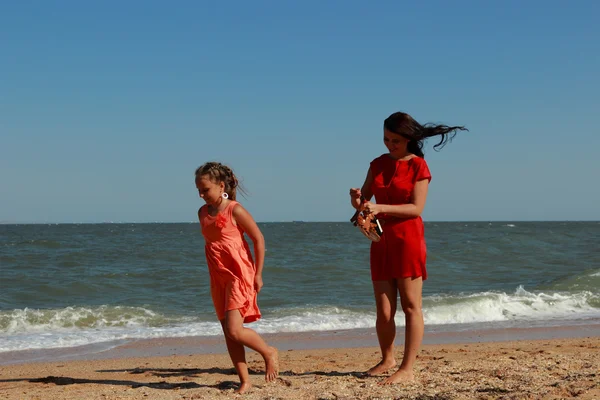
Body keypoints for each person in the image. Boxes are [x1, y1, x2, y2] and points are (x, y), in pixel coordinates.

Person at [349, 111, 467, 384]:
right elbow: (365, 203)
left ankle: (407, 368)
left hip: (407, 239)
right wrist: (357, 201)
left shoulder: (418, 166)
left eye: (396, 141)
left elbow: (416, 208)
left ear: (409, 140)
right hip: (380, 239)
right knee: (384, 310)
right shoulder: (377, 163)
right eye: (386, 139)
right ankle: (387, 358)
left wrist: (380, 207)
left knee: (412, 306)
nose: (389, 145)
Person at [195, 161, 278, 394]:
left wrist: (258, 274)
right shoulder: (202, 213)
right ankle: (245, 380)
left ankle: (268, 352)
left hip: (239, 275)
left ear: (220, 185)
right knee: (228, 332)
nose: (202, 195)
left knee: (234, 330)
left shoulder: (235, 209)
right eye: (199, 191)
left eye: (205, 190)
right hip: (217, 276)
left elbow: (258, 239)